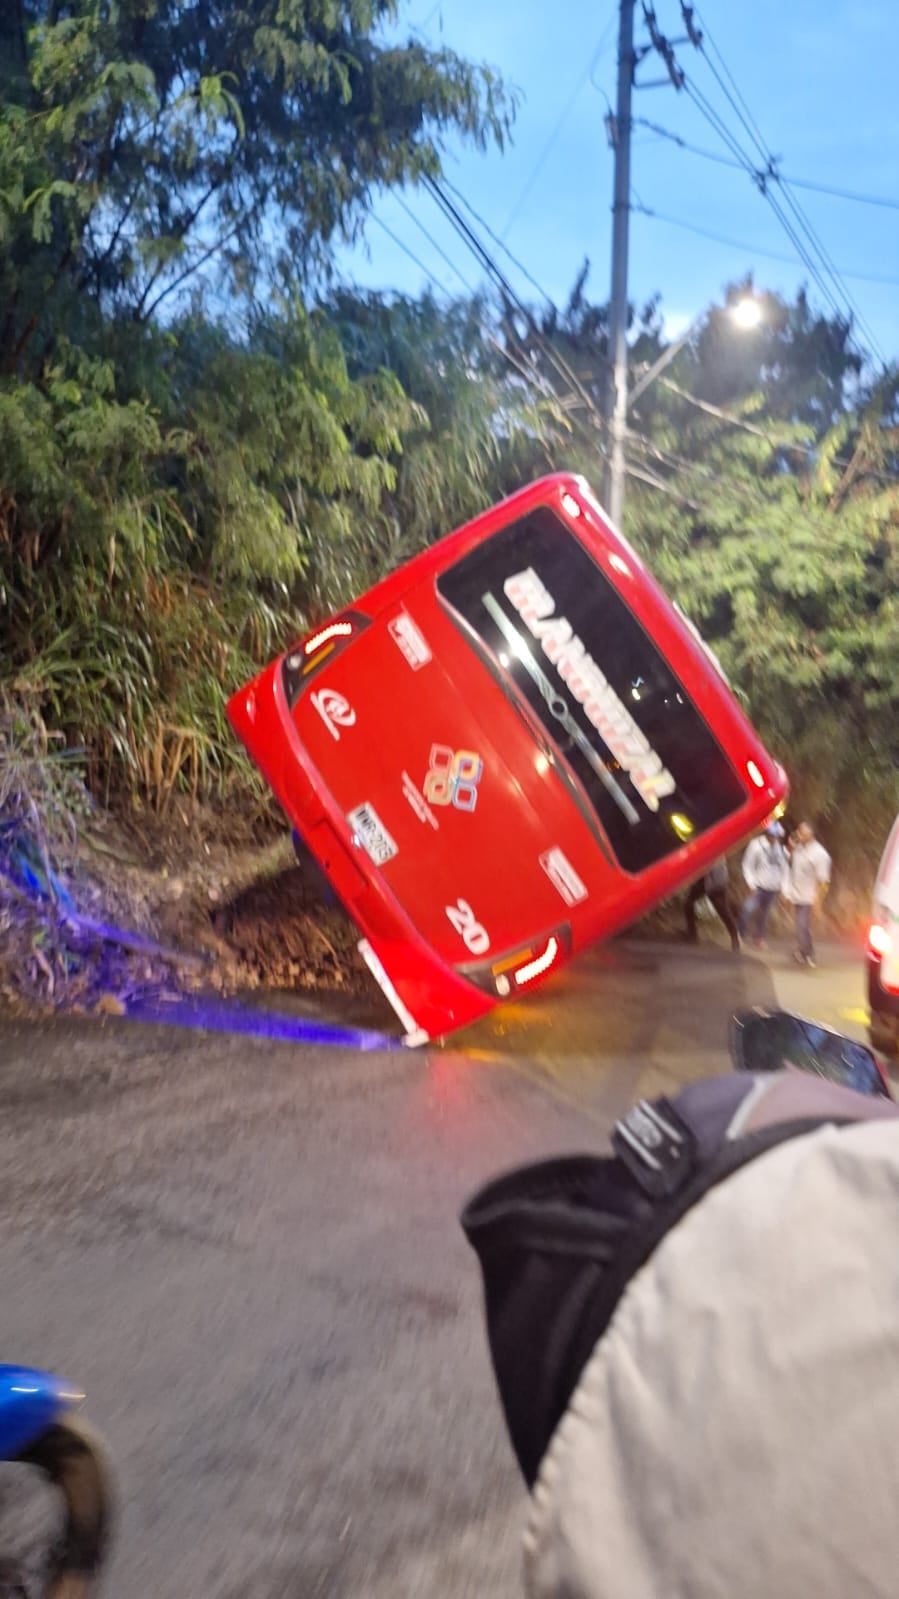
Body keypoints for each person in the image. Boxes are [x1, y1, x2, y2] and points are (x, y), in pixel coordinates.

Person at [786, 821, 832, 968]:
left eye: (802, 833)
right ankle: (802, 952)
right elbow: (791, 864)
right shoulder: (799, 848)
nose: (799, 835)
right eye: (798, 832)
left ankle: (809, 954)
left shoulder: (820, 854)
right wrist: (791, 850)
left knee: (802, 925)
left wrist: (818, 900)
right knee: (800, 926)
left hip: (809, 897)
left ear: (810, 835)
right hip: (797, 895)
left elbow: (823, 880)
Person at [738, 820, 787, 947]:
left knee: (764, 915)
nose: (775, 838)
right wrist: (751, 884)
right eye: (773, 835)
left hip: (772, 887)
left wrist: (783, 888)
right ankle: (739, 934)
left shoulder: (778, 848)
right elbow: (747, 865)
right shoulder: (756, 845)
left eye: (777, 836)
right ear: (768, 834)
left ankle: (759, 937)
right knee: (747, 910)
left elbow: (783, 868)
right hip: (758, 886)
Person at [684, 857, 740, 952]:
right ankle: (692, 935)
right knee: (688, 904)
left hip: (715, 882)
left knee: (723, 911)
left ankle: (735, 938)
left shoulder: (717, 853)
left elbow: (712, 869)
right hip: (704, 880)